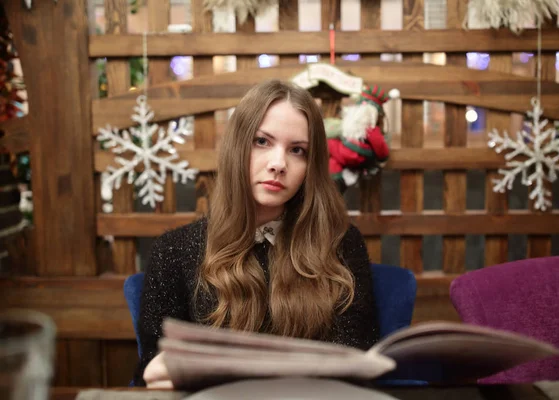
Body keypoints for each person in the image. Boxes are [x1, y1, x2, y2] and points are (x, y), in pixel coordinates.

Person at [134, 79, 379, 388]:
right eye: (262, 142)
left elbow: (357, 356)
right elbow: (150, 372)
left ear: (310, 166)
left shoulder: (340, 242)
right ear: (238, 147)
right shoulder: (175, 250)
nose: (278, 164)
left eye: (297, 150)